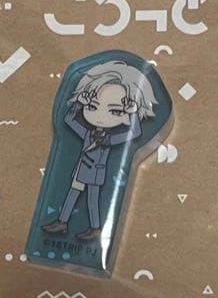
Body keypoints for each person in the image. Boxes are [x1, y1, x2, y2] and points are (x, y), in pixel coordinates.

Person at [41, 60, 159, 242]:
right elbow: (69, 120)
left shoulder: (108, 139)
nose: (101, 116)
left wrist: (133, 113)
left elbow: (135, 133)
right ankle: (62, 222)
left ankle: (95, 228)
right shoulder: (88, 133)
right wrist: (79, 104)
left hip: (95, 174)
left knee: (92, 200)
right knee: (72, 194)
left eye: (115, 111)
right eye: (92, 107)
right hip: (81, 170)